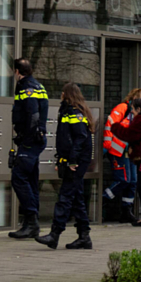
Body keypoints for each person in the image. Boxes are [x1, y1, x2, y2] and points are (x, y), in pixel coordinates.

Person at [36, 83, 95, 250]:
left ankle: (54, 234)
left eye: (62, 93)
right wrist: (62, 160)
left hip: (76, 162)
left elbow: (80, 138)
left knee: (65, 196)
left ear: (67, 95)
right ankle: (84, 236)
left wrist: (72, 161)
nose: (61, 95)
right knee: (76, 198)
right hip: (73, 160)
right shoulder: (69, 111)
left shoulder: (74, 112)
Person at [8, 58, 48, 239]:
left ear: (17, 71)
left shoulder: (26, 87)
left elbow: (32, 113)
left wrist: (27, 137)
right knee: (31, 180)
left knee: (18, 177)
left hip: (31, 140)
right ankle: (31, 223)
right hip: (35, 139)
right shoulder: (39, 86)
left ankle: (31, 222)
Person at [103, 88, 141, 223]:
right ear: (135, 98)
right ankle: (103, 200)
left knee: (133, 181)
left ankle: (126, 211)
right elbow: (110, 124)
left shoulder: (140, 114)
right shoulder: (123, 108)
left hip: (130, 152)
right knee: (123, 180)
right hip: (118, 151)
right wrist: (107, 145)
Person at [111, 97, 141, 227]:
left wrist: (114, 126)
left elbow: (129, 135)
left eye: (133, 110)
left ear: (139, 109)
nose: (132, 112)